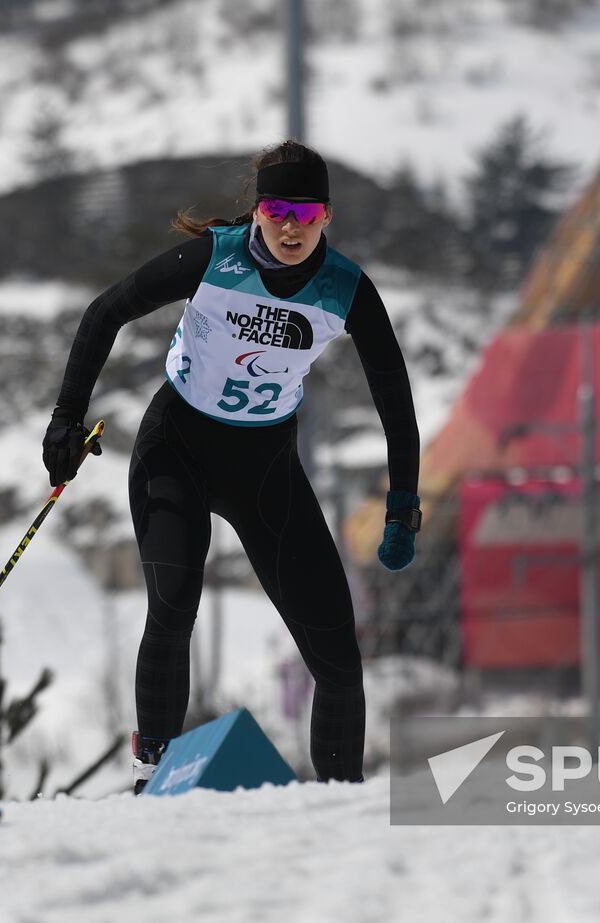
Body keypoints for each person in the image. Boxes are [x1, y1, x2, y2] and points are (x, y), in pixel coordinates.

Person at [42, 140, 422, 792]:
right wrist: (65, 419)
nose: (291, 226)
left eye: (306, 212)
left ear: (326, 216)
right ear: (259, 212)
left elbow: (394, 396)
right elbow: (106, 311)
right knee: (174, 606)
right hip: (176, 450)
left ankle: (341, 808)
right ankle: (153, 773)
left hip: (265, 467)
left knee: (338, 660)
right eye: (278, 209)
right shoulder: (214, 257)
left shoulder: (346, 289)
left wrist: (402, 502)